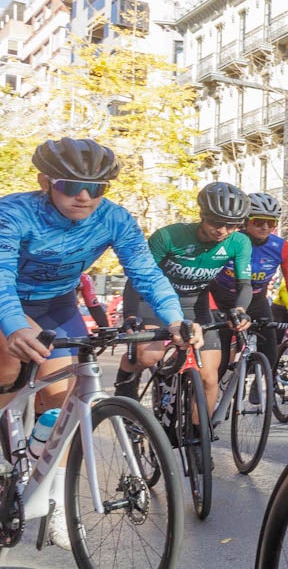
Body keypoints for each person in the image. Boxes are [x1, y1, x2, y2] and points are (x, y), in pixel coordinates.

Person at [1, 138, 190, 546]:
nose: (84, 197)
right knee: (7, 370)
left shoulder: (115, 219)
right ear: (45, 181)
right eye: (70, 186)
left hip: (57, 303)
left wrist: (176, 318)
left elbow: (145, 272)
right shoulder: (14, 212)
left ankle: (54, 500)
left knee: (59, 401)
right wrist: (15, 325)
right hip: (9, 300)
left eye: (98, 188)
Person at [117, 182, 254, 416]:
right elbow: (137, 279)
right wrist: (130, 315)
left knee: (209, 377)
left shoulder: (239, 242)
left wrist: (240, 310)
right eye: (216, 222)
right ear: (202, 215)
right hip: (154, 303)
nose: (223, 230)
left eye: (232, 225)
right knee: (148, 356)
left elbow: (244, 284)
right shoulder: (170, 236)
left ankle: (200, 445)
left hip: (195, 305)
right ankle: (125, 393)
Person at [211, 192, 288, 371]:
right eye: (258, 221)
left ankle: (265, 390)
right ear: (245, 221)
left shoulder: (281, 247)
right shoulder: (227, 241)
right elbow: (207, 276)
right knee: (220, 361)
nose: (265, 227)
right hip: (221, 300)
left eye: (271, 223)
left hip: (257, 301)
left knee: (270, 356)